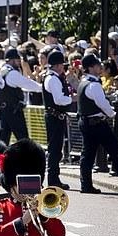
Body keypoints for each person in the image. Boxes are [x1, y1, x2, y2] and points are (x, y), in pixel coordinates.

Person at [76, 54, 118, 193]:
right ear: (90, 68)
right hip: (97, 123)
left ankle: (86, 185)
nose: (100, 67)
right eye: (96, 65)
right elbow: (103, 104)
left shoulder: (84, 82)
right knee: (115, 150)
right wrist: (113, 114)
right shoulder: (94, 84)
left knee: (88, 155)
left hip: (86, 122)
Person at [41, 50, 72, 189]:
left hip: (55, 116)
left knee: (56, 149)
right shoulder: (53, 79)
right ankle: (53, 179)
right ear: (58, 65)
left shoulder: (53, 77)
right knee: (54, 149)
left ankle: (54, 178)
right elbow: (59, 99)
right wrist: (72, 99)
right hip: (54, 117)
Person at [0, 48, 42, 143]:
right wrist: (43, 88)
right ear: (11, 60)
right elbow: (27, 84)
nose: (19, 63)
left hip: (5, 109)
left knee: (3, 138)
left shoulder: (3, 70)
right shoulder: (12, 73)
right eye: (17, 60)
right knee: (23, 138)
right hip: (14, 110)